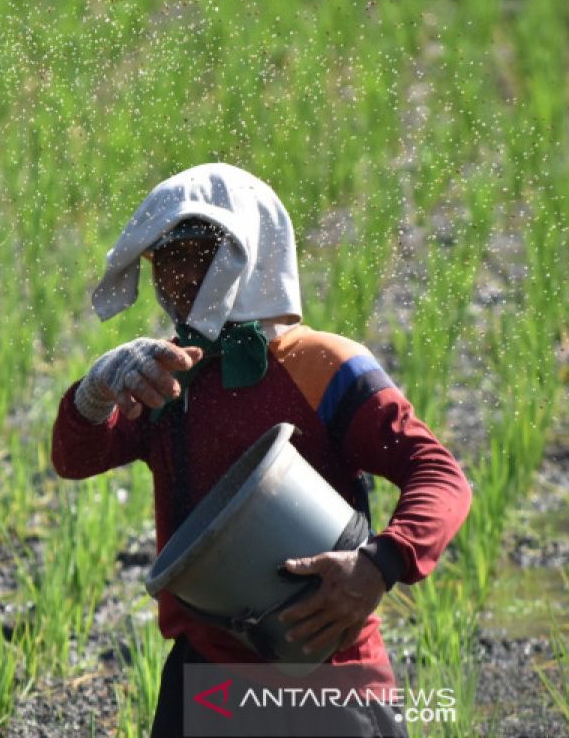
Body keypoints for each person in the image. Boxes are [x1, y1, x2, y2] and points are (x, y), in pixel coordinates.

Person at [50, 163, 472, 737]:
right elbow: (74, 459)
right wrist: (97, 388)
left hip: (330, 676)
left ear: (249, 255)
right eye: (165, 261)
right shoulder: (168, 375)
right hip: (208, 681)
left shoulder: (324, 366)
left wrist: (379, 564)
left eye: (197, 254)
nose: (177, 277)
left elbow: (438, 474)